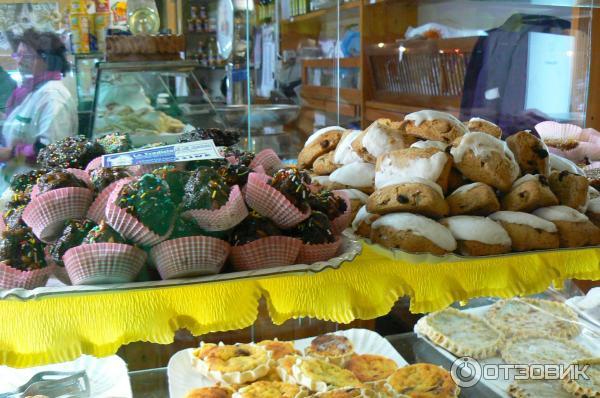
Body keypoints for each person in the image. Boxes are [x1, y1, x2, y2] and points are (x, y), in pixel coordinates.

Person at [0, 29, 77, 191]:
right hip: (18, 184)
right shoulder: (32, 91)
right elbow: (22, 123)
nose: (19, 62)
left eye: (25, 55)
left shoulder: (53, 96)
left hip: (40, 190)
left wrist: (8, 153)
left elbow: (50, 151)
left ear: (46, 59)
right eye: (17, 55)